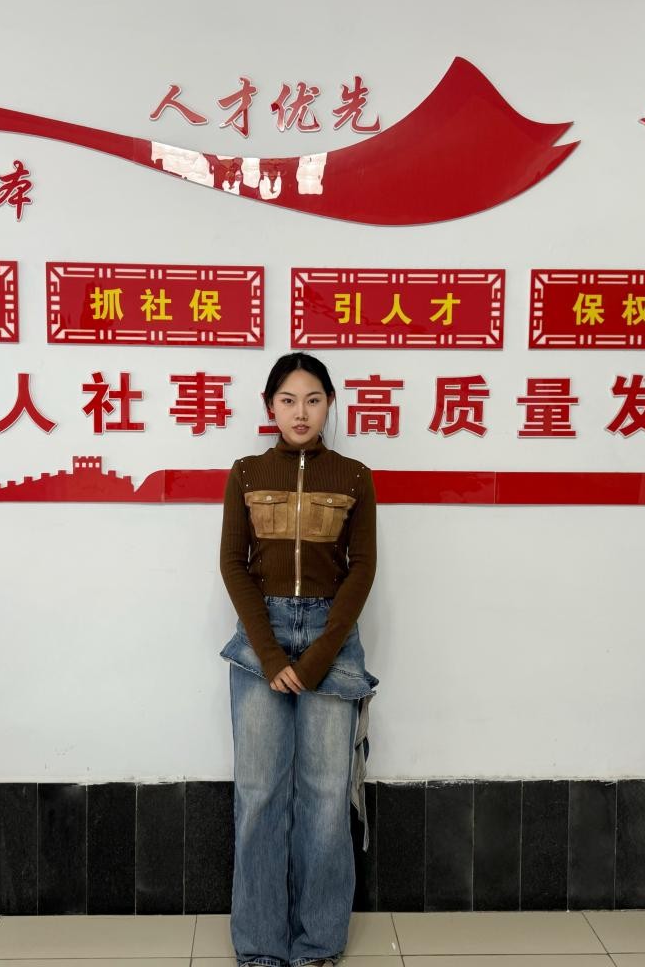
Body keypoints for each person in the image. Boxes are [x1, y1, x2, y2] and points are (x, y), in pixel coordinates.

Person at [219, 352, 379, 967]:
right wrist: (268, 654)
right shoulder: (246, 472)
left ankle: (318, 944)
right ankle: (260, 946)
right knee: (259, 793)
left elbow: (361, 571)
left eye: (313, 399)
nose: (301, 412)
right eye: (288, 400)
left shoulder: (355, 477)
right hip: (260, 639)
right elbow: (233, 564)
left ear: (329, 404)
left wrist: (315, 661)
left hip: (331, 641)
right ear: (270, 407)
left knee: (324, 795)